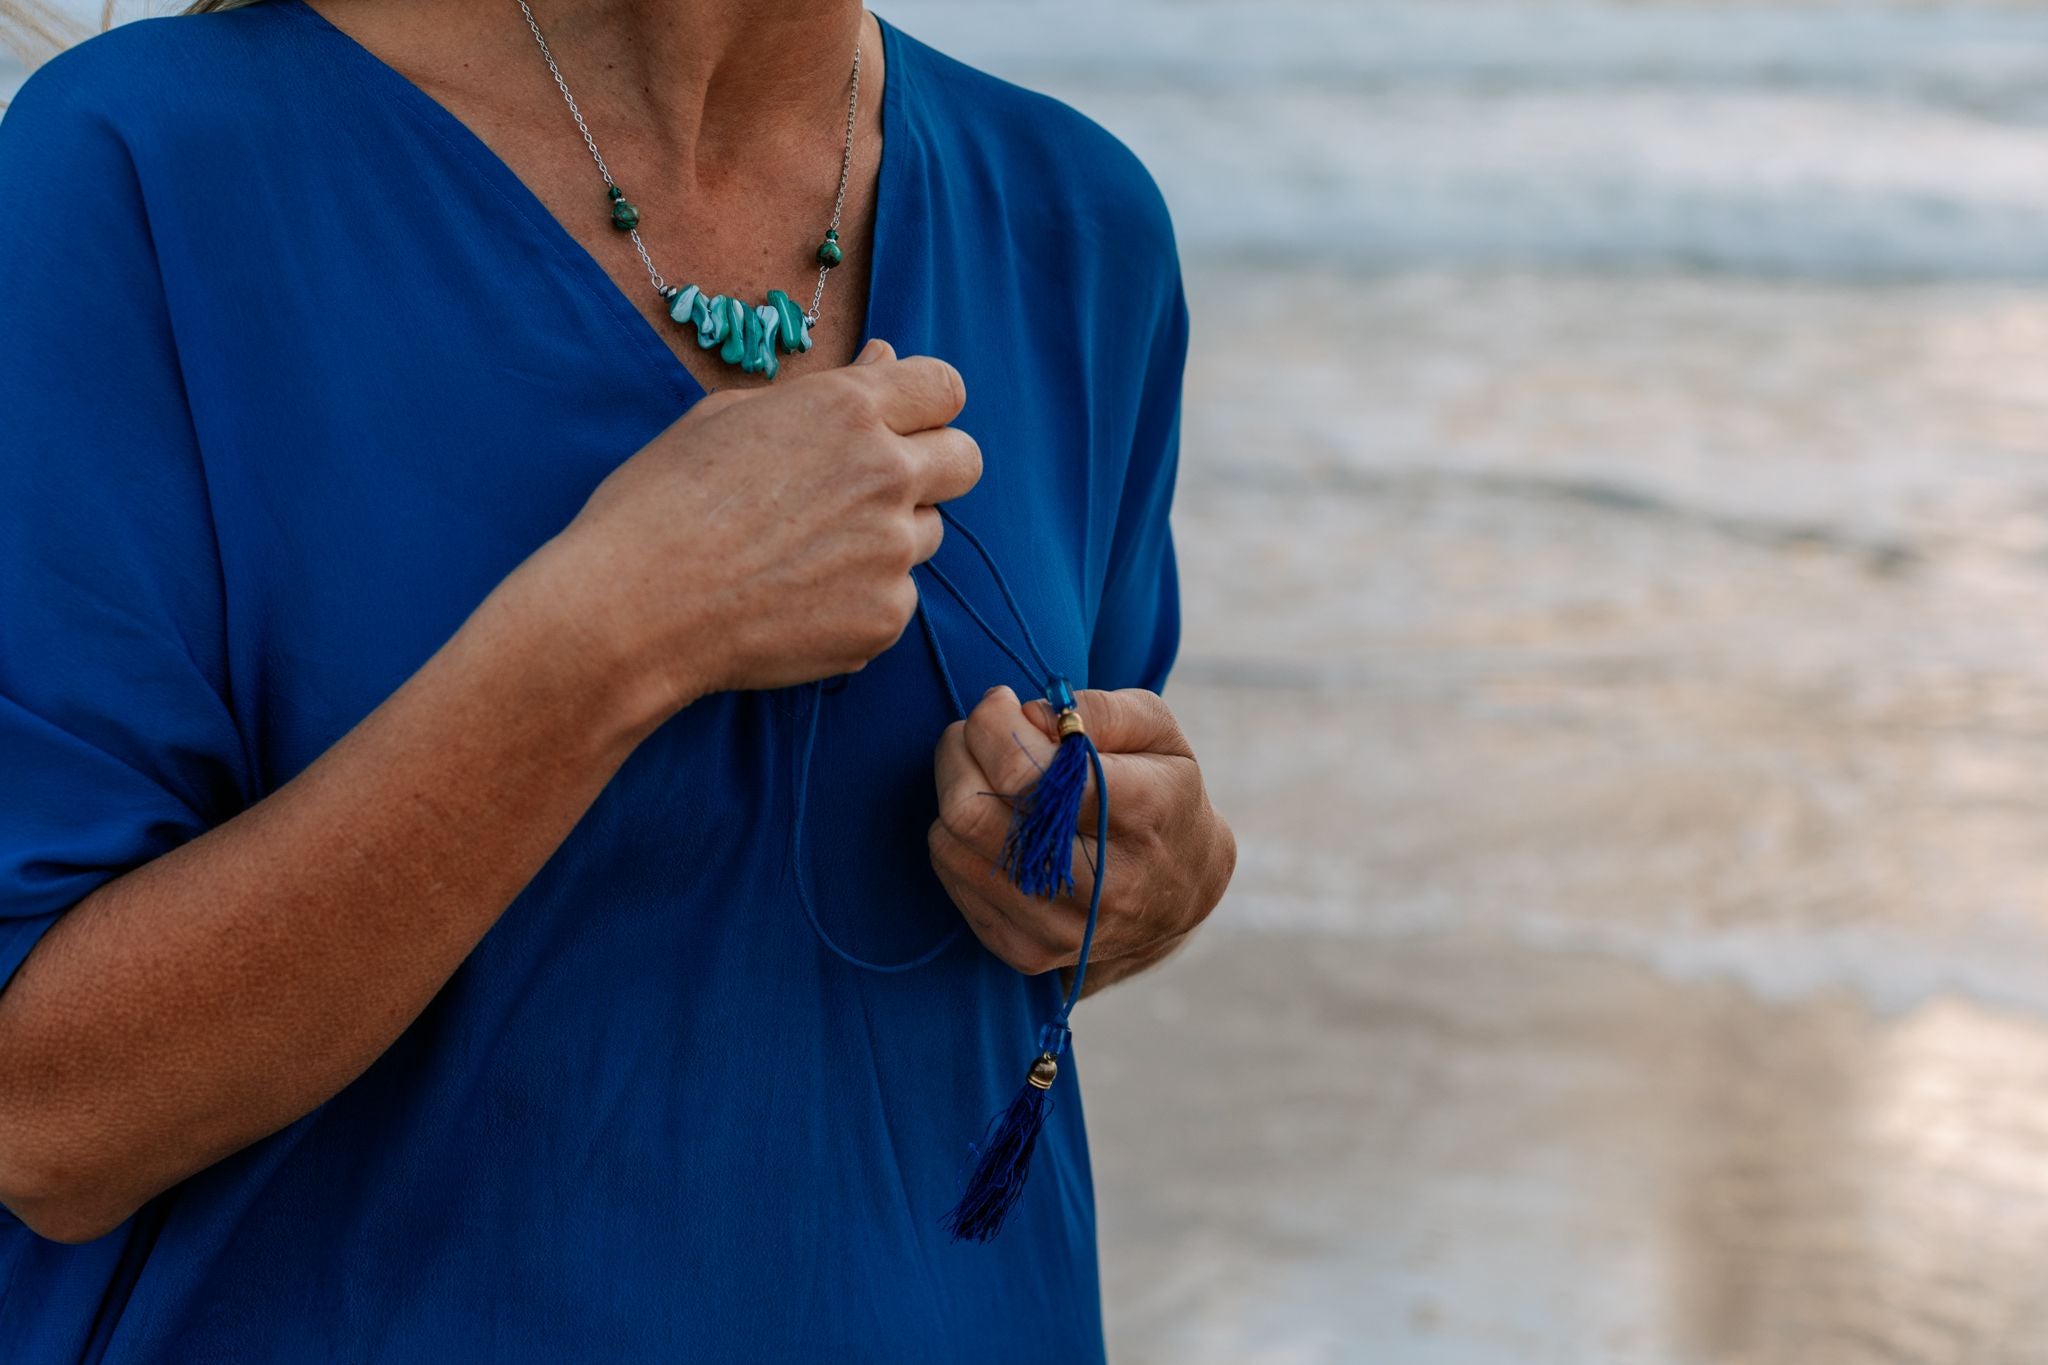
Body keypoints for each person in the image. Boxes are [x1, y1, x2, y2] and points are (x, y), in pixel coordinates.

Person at [0, 0, 1236, 1358]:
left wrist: (1130, 888)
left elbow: (1013, 898)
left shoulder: (1079, 222)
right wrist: (609, 639)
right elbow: (44, 1119)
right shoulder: (136, 171)